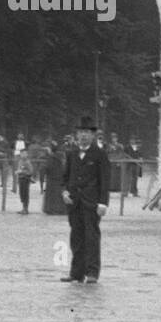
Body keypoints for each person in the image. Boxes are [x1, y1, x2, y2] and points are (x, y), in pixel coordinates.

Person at [61, 116, 110, 284]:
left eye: (87, 133)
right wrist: (65, 192)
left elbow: (105, 180)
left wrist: (103, 202)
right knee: (76, 238)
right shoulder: (72, 153)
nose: (83, 136)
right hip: (74, 203)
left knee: (91, 237)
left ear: (93, 135)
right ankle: (76, 273)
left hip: (92, 203)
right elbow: (66, 177)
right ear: (76, 135)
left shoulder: (100, 154)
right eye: (81, 132)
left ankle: (92, 273)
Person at [43, 141, 67, 215]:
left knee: (52, 195)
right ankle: (62, 209)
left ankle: (51, 209)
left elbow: (48, 167)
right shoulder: (62, 156)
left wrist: (44, 170)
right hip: (61, 178)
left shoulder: (51, 157)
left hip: (52, 179)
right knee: (60, 195)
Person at [15, 146, 34, 215]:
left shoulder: (27, 162)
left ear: (27, 154)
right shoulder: (20, 161)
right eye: (22, 153)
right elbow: (19, 169)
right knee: (21, 194)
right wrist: (18, 172)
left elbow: (31, 171)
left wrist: (22, 172)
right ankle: (23, 208)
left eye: (25, 153)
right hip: (20, 179)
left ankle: (26, 209)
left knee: (25, 194)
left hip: (26, 179)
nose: (23, 155)